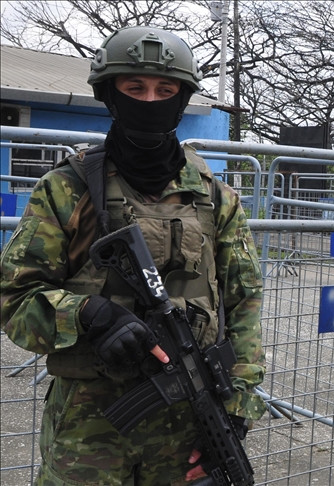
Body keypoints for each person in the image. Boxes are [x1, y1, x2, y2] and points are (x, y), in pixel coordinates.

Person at [0, 26, 266, 484]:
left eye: (165, 90)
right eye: (134, 88)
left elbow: (244, 307)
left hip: (189, 428)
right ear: (109, 93)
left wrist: (237, 407)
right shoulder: (68, 188)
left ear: (182, 100)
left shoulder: (217, 198)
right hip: (90, 430)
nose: (150, 101)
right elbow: (14, 298)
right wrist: (88, 314)